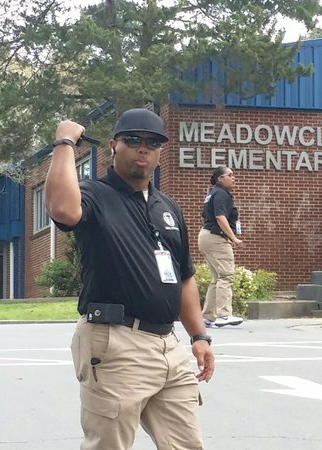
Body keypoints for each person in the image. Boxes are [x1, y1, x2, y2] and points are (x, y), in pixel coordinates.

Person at [45, 108, 214, 450]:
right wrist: (64, 142)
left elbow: (183, 277)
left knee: (187, 445)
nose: (143, 148)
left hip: (168, 346)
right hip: (116, 343)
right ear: (113, 146)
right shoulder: (95, 194)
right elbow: (62, 209)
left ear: (159, 151)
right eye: (133, 140)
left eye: (152, 142)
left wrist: (199, 336)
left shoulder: (168, 207)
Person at [199, 165, 245, 328]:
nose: (234, 178)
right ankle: (224, 315)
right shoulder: (221, 194)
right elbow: (220, 217)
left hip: (206, 235)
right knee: (226, 275)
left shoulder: (212, 193)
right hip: (217, 237)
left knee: (216, 278)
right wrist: (233, 238)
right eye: (230, 175)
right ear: (220, 178)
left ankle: (208, 316)